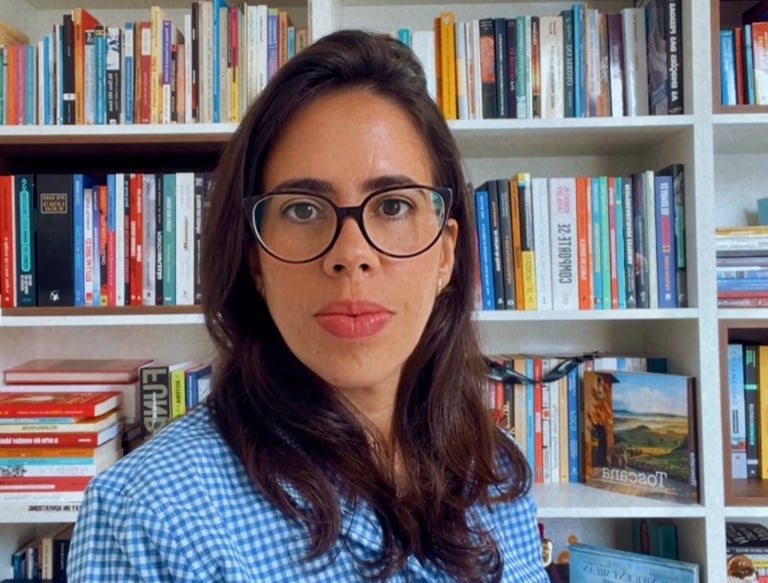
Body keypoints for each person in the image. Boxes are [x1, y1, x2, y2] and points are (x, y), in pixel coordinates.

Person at [67, 29, 548, 582]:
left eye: (392, 205)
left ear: (445, 253)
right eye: (301, 209)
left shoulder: (495, 470)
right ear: (255, 262)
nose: (351, 255)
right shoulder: (148, 514)